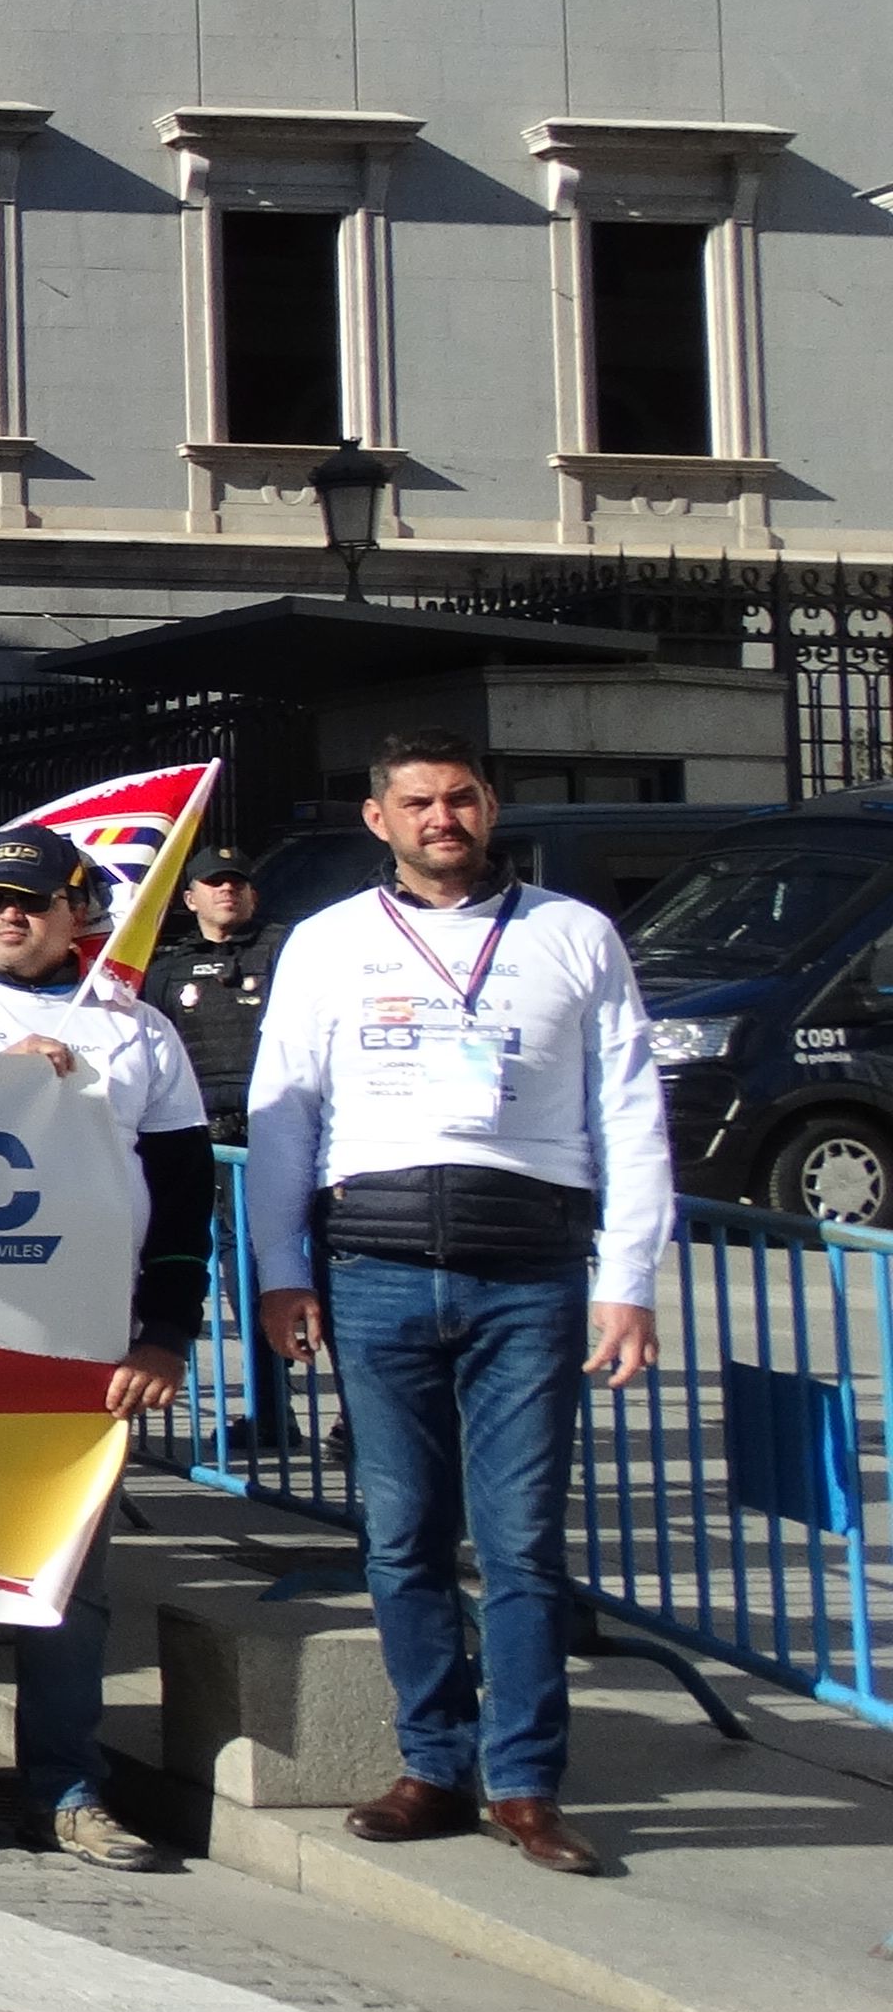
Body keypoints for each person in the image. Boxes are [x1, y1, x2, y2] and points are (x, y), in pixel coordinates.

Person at [247, 734, 664, 1881]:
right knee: (402, 1535)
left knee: (523, 1542)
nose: (443, 817)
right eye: (418, 801)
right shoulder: (328, 945)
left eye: (462, 799)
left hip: (528, 1271)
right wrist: (281, 1270)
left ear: (492, 809)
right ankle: (433, 1763)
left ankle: (524, 1784)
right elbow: (283, 1113)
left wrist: (628, 1280)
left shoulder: (574, 934)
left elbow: (628, 1107)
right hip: (374, 1268)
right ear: (377, 820)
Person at [0, 822, 223, 1871]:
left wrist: (166, 1334)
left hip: (85, 1346)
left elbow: (187, 1196)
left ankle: (66, 1787)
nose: (5, 919)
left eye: (29, 904)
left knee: (71, 1578)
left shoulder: (139, 1028)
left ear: (80, 917)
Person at [148, 839, 277, 1143]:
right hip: (198, 1125)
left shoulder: (287, 952)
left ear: (252, 896)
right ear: (190, 899)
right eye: (214, 882)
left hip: (272, 1117)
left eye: (236, 882)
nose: (226, 889)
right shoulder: (166, 971)